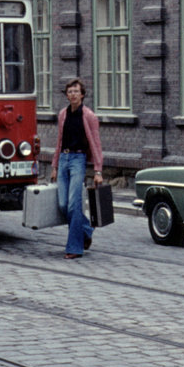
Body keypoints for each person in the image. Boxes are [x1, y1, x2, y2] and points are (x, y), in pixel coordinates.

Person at [51, 78, 104, 259]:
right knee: (63, 204)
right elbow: (59, 141)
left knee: (74, 204)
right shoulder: (63, 114)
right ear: (67, 95)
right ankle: (86, 229)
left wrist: (98, 171)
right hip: (64, 159)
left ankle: (74, 248)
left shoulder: (89, 116)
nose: (73, 94)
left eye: (76, 91)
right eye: (70, 91)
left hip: (78, 160)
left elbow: (96, 144)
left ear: (82, 95)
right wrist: (54, 166)